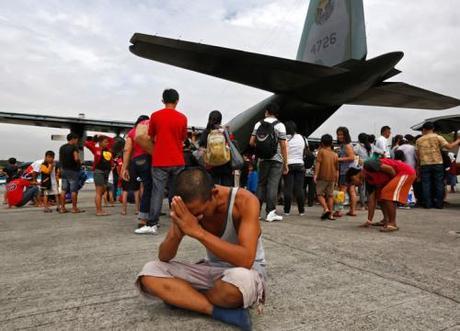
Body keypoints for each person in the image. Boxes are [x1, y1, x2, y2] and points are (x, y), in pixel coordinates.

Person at [136, 168, 266, 331]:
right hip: (212, 270)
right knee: (148, 273)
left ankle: (184, 298)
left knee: (239, 284)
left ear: (214, 193)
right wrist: (178, 231)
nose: (196, 217)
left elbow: (246, 260)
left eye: (200, 212)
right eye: (190, 213)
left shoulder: (245, 201)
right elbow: (164, 256)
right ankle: (216, 310)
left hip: (245, 272)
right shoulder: (188, 208)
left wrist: (198, 232)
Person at [144, 89, 188, 233]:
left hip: (160, 160)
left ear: (163, 101)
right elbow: (182, 139)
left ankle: (152, 224)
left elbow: (151, 137)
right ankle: (179, 219)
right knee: (176, 192)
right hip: (177, 159)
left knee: (157, 192)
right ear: (177, 101)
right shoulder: (183, 118)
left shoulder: (155, 116)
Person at [347, 158, 416, 232]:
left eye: (354, 182)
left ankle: (392, 224)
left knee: (386, 192)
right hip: (398, 175)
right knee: (380, 196)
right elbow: (371, 201)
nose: (356, 185)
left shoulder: (368, 164)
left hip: (405, 172)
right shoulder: (368, 181)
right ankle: (385, 220)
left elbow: (390, 169)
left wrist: (391, 184)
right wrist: (369, 221)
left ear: (353, 176)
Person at [249, 103, 288, 222]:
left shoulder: (258, 123)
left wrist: (262, 148)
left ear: (266, 112)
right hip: (276, 160)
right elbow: (283, 146)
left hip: (262, 159)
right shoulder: (280, 125)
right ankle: (270, 212)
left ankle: (256, 211)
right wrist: (285, 163)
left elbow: (251, 142)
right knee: (273, 185)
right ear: (277, 113)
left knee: (261, 184)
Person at [416, 122, 460, 209]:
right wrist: (458, 140)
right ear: (433, 129)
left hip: (425, 164)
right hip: (437, 163)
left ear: (424, 129)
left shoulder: (419, 140)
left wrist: (418, 167)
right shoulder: (438, 137)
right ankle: (439, 204)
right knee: (439, 184)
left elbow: (418, 156)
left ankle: (428, 204)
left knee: (426, 184)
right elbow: (449, 147)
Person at [199, 110, 234, 186]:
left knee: (213, 189)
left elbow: (201, 148)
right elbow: (231, 144)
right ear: (220, 120)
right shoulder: (225, 131)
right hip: (225, 163)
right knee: (226, 188)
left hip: (211, 165)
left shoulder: (206, 132)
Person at [85, 135, 115, 216]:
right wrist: (95, 140)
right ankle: (99, 211)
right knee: (99, 192)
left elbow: (112, 140)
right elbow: (87, 144)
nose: (107, 143)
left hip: (106, 173)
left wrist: (103, 136)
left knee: (103, 191)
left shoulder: (108, 149)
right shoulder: (96, 149)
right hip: (98, 172)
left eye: (107, 142)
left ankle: (100, 209)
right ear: (100, 143)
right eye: (105, 142)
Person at [282, 121, 306, 216]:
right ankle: (301, 210)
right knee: (299, 188)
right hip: (300, 164)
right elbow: (304, 151)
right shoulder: (302, 137)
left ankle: (287, 211)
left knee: (288, 188)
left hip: (289, 165)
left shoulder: (284, 139)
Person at [314, 134, 338, 220]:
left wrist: (315, 175)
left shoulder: (321, 151)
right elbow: (337, 169)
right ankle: (331, 214)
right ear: (331, 143)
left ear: (322, 143)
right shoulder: (335, 154)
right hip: (332, 177)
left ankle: (326, 209)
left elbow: (318, 163)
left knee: (319, 194)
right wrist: (336, 180)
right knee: (330, 196)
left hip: (322, 176)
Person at [59, 133, 83, 213]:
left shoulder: (62, 147)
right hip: (73, 170)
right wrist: (80, 162)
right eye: (76, 139)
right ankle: (74, 208)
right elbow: (76, 158)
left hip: (64, 170)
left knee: (63, 190)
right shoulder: (74, 147)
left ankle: (62, 208)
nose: (77, 141)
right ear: (73, 139)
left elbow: (61, 159)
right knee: (74, 190)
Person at [336, 127, 357, 217]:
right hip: (351, 170)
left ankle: (338, 211)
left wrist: (339, 159)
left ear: (346, 135)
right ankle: (352, 210)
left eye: (341, 134)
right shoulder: (346, 145)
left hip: (346, 171)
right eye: (338, 134)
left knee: (341, 191)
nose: (339, 136)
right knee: (351, 191)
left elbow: (352, 157)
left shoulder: (347, 145)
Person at [354, 133, 372, 209]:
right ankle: (369, 203)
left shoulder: (358, 146)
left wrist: (357, 162)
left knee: (361, 187)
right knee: (368, 187)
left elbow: (353, 155)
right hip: (369, 168)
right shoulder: (369, 146)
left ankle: (362, 204)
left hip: (361, 168)